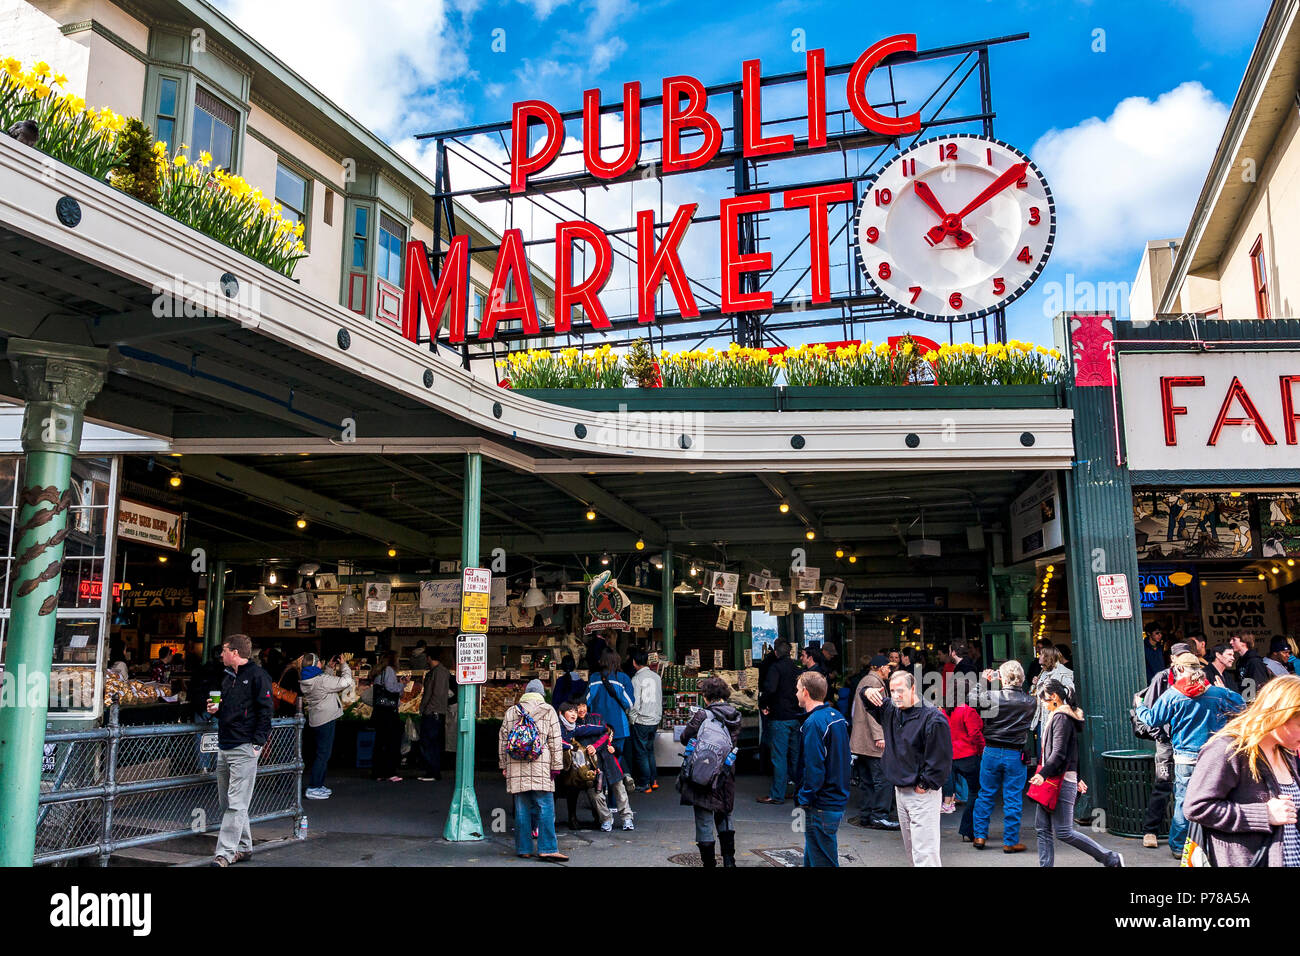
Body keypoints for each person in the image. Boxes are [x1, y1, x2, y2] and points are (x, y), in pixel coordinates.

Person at [1136, 651, 1245, 858]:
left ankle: (1179, 846)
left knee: (1184, 801)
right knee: (1216, 799)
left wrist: (1140, 706)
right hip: (1215, 756)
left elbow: (1151, 720)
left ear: (1178, 669)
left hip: (1186, 757)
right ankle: (1213, 844)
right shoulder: (1216, 693)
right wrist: (1225, 690)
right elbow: (1242, 706)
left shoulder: (1172, 695)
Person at [1184, 675, 1300, 867]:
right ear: (1280, 716)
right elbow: (1196, 807)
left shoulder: (1285, 750)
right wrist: (1264, 814)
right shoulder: (1228, 749)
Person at [862, 670, 952, 866]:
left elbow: (941, 760)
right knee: (913, 852)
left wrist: (924, 784)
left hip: (922, 793)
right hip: (901, 789)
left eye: (900, 691)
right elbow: (868, 700)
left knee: (925, 853)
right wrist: (867, 691)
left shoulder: (933, 718)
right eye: (892, 691)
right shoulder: (891, 709)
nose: (895, 695)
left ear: (913, 688)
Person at [1031, 679, 1124, 868]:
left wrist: (1043, 774)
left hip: (1057, 781)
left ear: (1054, 697)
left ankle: (1110, 858)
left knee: (1064, 831)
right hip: (1055, 779)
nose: (1043, 704)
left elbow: (1059, 753)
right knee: (1043, 829)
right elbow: (1070, 752)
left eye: (1045, 700)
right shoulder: (1062, 717)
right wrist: (1077, 776)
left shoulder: (1061, 718)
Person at [205, 634, 272, 867]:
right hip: (226, 744)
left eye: (224, 650)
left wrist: (257, 744)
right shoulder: (228, 677)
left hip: (243, 746)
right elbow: (237, 709)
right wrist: (217, 709)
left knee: (235, 802)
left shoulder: (258, 676)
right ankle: (243, 846)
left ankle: (225, 853)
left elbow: (266, 711)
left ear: (235, 652)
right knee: (229, 802)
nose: (221, 654)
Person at [968, 660, 1035, 852]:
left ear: (1002, 678)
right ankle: (1010, 841)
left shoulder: (991, 696)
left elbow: (971, 699)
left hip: (991, 750)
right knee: (1013, 797)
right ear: (1021, 678)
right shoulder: (1030, 701)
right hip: (1015, 753)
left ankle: (979, 836)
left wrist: (983, 679)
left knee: (985, 794)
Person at [499, 678, 567, 862]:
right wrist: (557, 767)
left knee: (522, 808)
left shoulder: (511, 712)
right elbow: (555, 741)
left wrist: (503, 766)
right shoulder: (548, 710)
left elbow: (503, 741)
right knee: (545, 806)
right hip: (541, 764)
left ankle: (524, 848)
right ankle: (547, 848)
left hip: (516, 764)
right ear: (541, 694)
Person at [678, 676, 742, 867]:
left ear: (706, 696)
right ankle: (729, 860)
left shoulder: (703, 715)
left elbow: (684, 737)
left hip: (704, 772)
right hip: (726, 772)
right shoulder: (735, 715)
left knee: (704, 819)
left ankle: (709, 863)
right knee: (725, 814)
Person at [794, 671, 851, 866]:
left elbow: (814, 768)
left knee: (823, 859)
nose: (796, 694)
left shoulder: (814, 723)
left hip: (822, 803)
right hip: (833, 799)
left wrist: (804, 796)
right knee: (814, 856)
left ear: (806, 692)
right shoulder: (836, 717)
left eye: (798, 690)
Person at [850, 655, 898, 830]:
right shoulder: (874, 682)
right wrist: (880, 736)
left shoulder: (866, 680)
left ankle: (866, 815)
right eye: (888, 667)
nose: (890, 670)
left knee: (867, 781)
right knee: (883, 780)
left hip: (862, 742)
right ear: (879, 667)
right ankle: (879, 816)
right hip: (872, 742)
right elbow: (873, 712)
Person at [573, 698, 634, 831]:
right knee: (595, 792)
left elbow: (606, 734)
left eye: (583, 705)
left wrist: (594, 746)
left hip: (607, 757)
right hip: (589, 763)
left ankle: (627, 818)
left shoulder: (597, 717)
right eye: (578, 707)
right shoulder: (572, 724)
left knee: (619, 788)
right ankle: (606, 819)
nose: (581, 709)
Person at [299, 653, 353, 800]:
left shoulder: (307, 679)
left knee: (321, 753)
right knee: (323, 755)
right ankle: (314, 787)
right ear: (316, 664)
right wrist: (344, 665)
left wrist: (329, 668)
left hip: (317, 718)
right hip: (327, 719)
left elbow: (324, 685)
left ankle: (318, 784)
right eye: (319, 662)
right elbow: (346, 681)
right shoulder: (321, 680)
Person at [758, 638, 801, 805]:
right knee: (796, 756)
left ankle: (777, 794)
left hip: (780, 717)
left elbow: (769, 689)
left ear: (775, 652)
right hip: (795, 716)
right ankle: (798, 792)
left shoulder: (775, 668)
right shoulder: (797, 669)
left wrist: (763, 704)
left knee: (779, 757)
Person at [587, 649, 635, 770]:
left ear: (601, 661)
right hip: (618, 726)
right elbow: (629, 703)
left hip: (597, 726)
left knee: (598, 758)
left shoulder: (594, 678)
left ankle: (603, 786)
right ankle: (616, 784)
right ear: (617, 661)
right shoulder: (623, 678)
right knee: (615, 757)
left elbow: (586, 701)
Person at [556, 697, 600, 830]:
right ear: (561, 713)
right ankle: (549, 821)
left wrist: (605, 728)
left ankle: (572, 817)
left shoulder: (573, 727)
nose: (574, 714)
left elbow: (587, 728)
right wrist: (569, 747)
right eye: (570, 711)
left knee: (573, 789)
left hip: (569, 766)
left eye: (575, 711)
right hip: (556, 765)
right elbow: (555, 741)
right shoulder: (557, 725)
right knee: (554, 792)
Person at [949, 697, 984, 842]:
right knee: (975, 793)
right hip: (968, 756)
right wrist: (982, 750)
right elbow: (975, 733)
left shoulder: (946, 711)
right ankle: (968, 829)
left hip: (951, 756)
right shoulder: (967, 711)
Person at [627, 648, 662, 793]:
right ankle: (653, 781)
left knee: (641, 752)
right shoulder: (656, 677)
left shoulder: (636, 679)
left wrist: (632, 718)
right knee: (649, 750)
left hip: (641, 720)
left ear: (634, 663)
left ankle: (644, 783)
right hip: (654, 720)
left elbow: (634, 703)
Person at [417, 649, 452, 782]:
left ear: (429, 658)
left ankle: (432, 772)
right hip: (434, 711)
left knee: (430, 742)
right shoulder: (439, 672)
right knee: (431, 742)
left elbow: (436, 693)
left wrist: (427, 709)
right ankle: (431, 771)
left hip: (434, 712)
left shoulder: (439, 672)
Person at [370, 650, 405, 783]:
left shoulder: (379, 672)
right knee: (392, 742)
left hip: (379, 711)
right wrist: (402, 684)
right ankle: (390, 772)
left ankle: (378, 772)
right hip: (389, 712)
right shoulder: (389, 670)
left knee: (380, 742)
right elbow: (391, 688)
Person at [1029, 646, 1074, 743]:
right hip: (1041, 719)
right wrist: (1035, 685)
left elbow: (1070, 691)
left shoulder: (1063, 672)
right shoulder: (1043, 672)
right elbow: (1035, 693)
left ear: (1048, 657)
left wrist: (1053, 694)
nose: (1039, 656)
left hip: (1055, 720)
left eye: (1041, 654)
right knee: (1043, 753)